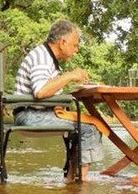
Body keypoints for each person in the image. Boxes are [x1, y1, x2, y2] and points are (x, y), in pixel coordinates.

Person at [14, 19, 104, 181]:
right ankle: (80, 184)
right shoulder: (42, 58)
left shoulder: (46, 56)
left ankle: (72, 179)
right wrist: (69, 75)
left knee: (88, 124)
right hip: (30, 116)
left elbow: (48, 90)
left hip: (34, 113)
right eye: (75, 45)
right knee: (90, 128)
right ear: (63, 42)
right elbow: (41, 91)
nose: (76, 50)